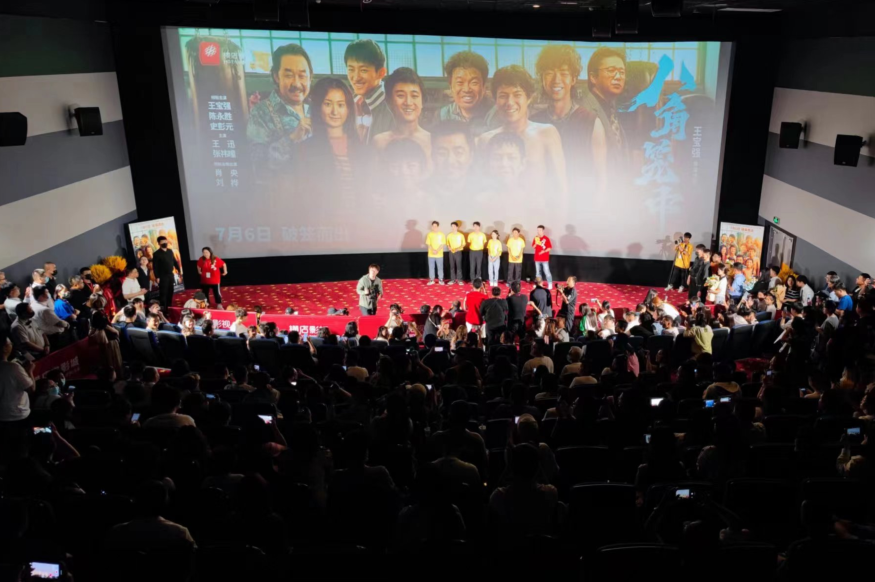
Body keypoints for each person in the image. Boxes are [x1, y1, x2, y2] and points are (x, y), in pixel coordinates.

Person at [477, 65, 567, 196]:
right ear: (495, 100)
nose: (510, 102)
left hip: (537, 208)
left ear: (529, 98)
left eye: (517, 95)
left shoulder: (546, 134)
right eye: (503, 96)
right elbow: (482, 189)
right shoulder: (486, 140)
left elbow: (561, 188)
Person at [247, 43, 313, 175]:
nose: (296, 83)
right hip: (284, 188)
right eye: (289, 75)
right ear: (276, 76)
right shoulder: (261, 112)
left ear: (310, 77)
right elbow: (258, 166)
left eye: (302, 76)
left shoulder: (317, 109)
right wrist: (292, 138)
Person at [488, 443, 565, 538]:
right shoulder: (550, 493)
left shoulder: (498, 497)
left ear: (511, 468)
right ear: (537, 468)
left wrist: (507, 469)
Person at [579, 47, 628, 193]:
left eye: (622, 72)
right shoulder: (584, 112)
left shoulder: (614, 107)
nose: (618, 76)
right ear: (593, 77)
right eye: (611, 70)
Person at [372, 67, 430, 159]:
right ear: (389, 101)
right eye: (400, 95)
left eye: (414, 96)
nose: (408, 102)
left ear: (422, 101)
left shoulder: (432, 140)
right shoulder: (379, 142)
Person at [433, 50, 495, 136]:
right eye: (460, 82)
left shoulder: (496, 114)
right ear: (451, 87)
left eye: (474, 82)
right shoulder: (442, 115)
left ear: (484, 86)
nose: (466, 89)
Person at [345, 39, 393, 144]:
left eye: (363, 70)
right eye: (351, 69)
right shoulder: (346, 106)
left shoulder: (393, 108)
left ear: (381, 73)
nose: (356, 77)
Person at [153, 236, 181, 313]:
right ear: (159, 243)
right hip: (162, 276)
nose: (165, 243)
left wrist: (178, 270)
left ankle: (169, 306)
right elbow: (155, 266)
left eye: (165, 241)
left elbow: (174, 261)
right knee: (163, 293)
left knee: (170, 291)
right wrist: (157, 277)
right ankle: (164, 310)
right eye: (163, 242)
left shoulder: (170, 251)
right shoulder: (156, 254)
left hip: (170, 275)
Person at [531, 225, 554, 290]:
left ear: (543, 231)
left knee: (547, 271)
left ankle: (550, 283)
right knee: (538, 272)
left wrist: (543, 251)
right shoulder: (536, 238)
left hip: (544, 258)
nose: (539, 231)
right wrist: (536, 242)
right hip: (537, 258)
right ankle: (538, 284)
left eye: (540, 230)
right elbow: (533, 246)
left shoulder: (546, 238)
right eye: (538, 230)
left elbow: (549, 248)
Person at [425, 221, 446, 286]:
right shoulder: (429, 234)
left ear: (438, 226)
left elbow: (442, 244)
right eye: (433, 226)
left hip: (439, 254)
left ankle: (441, 279)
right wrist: (433, 250)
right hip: (431, 254)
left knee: (440, 267)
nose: (434, 227)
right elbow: (428, 244)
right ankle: (432, 280)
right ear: (432, 227)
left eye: (435, 226)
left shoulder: (441, 234)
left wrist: (437, 250)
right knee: (431, 267)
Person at [446, 221, 466, 285]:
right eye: (452, 226)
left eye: (454, 226)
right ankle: (453, 280)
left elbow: (463, 244)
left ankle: (459, 280)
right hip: (451, 252)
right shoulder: (449, 235)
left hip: (458, 252)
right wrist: (449, 247)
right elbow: (447, 243)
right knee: (452, 266)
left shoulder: (461, 235)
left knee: (458, 266)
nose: (453, 228)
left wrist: (457, 248)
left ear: (457, 227)